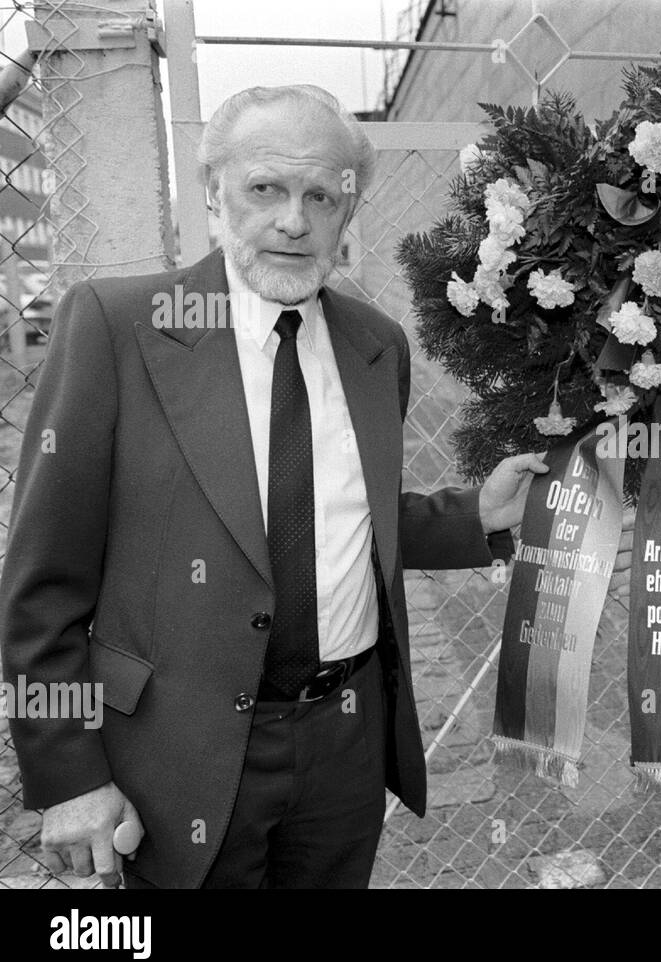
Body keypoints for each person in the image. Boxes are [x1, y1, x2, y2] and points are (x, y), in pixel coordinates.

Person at [0, 84, 546, 889]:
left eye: (321, 194)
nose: (295, 219)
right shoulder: (118, 328)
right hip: (178, 750)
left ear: (347, 213)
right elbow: (42, 582)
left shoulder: (375, 346)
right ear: (215, 195)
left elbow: (336, 515)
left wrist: (475, 515)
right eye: (266, 188)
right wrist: (69, 774)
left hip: (346, 745)